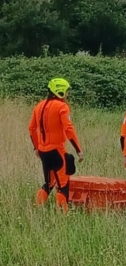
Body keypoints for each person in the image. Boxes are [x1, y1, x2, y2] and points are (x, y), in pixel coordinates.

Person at [28, 78, 84, 213]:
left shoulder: (39, 106)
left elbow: (31, 128)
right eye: (66, 91)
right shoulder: (62, 107)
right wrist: (78, 150)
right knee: (63, 185)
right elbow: (69, 129)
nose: (67, 94)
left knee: (49, 183)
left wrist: (36, 147)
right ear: (60, 91)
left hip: (43, 151)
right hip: (57, 151)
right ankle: (62, 216)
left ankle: (36, 210)